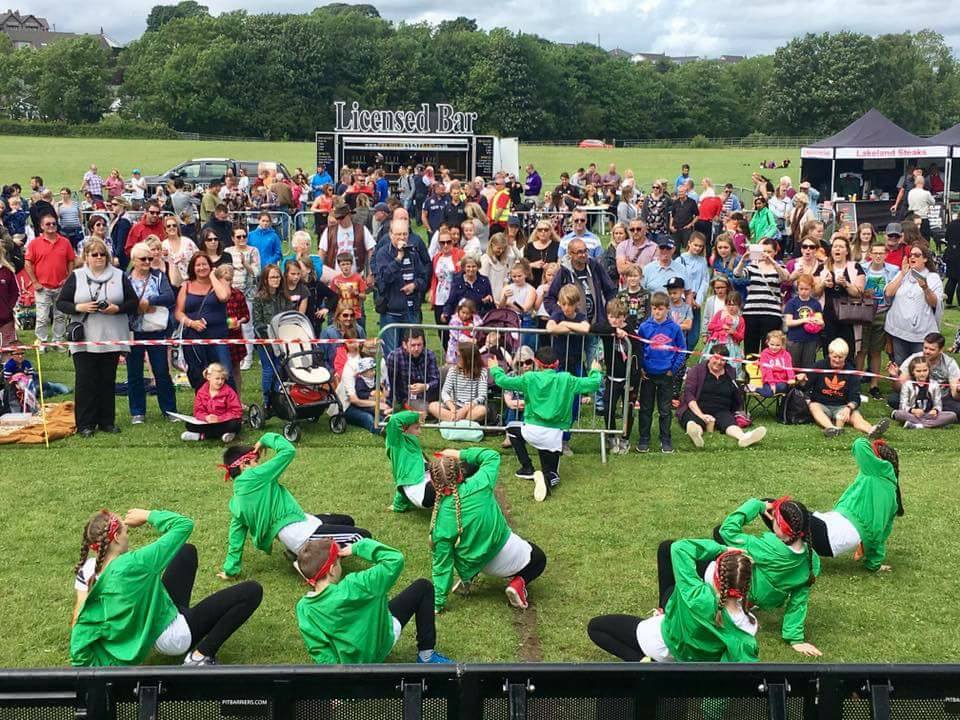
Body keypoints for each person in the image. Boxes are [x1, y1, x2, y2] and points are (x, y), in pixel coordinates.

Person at [70, 508, 262, 666]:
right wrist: (148, 515)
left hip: (148, 624)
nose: (128, 535)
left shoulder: (90, 573)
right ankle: (199, 657)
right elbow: (184, 525)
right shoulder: (135, 564)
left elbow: (80, 625)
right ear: (117, 539)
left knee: (186, 551)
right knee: (252, 591)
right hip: (173, 636)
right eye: (125, 531)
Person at [217, 432, 370, 580]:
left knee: (346, 520)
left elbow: (236, 537)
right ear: (244, 465)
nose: (260, 464)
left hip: (297, 527)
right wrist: (265, 439)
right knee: (362, 536)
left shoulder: (236, 502)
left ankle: (299, 553)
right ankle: (312, 561)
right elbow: (288, 450)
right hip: (302, 533)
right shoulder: (255, 476)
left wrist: (230, 570)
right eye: (255, 461)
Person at [587, 539, 758, 663]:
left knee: (596, 627)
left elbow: (679, 548)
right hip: (689, 663)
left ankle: (644, 665)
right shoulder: (748, 629)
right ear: (746, 586)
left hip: (658, 642)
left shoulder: (695, 594)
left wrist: (722, 548)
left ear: (715, 578)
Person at [296, 536, 453, 665]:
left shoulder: (304, 608)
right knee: (423, 587)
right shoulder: (358, 584)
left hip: (348, 668)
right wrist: (359, 547)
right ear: (332, 569)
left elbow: (320, 650)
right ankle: (427, 656)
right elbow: (394, 559)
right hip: (379, 647)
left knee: (378, 604)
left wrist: (337, 683)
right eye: (339, 561)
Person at [428, 448, 547, 611]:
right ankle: (517, 584)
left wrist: (437, 602)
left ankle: (467, 577)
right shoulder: (481, 483)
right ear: (461, 474)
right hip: (506, 553)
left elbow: (442, 564)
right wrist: (459, 453)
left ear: (434, 484)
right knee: (539, 558)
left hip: (476, 564)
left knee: (462, 547)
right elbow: (491, 456)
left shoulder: (439, 522)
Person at [491, 347, 602, 501]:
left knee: (511, 428)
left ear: (537, 362)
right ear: (557, 363)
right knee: (553, 473)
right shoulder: (566, 379)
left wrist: (495, 369)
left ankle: (527, 467)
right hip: (553, 435)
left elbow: (502, 381)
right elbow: (594, 384)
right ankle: (547, 479)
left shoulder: (529, 378)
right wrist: (595, 370)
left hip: (531, 431)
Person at [714, 498, 822, 656]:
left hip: (743, 593)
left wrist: (756, 505)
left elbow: (727, 530)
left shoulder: (767, 547)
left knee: (716, 535)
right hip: (767, 599)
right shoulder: (812, 559)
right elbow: (799, 601)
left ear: (782, 528)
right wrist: (795, 639)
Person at [56, 239, 136, 437]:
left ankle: (106, 421)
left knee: (107, 380)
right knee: (85, 380)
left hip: (112, 336)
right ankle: (85, 424)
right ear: (86, 257)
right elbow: (61, 303)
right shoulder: (76, 276)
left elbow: (133, 302)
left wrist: (117, 308)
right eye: (95, 254)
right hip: (85, 337)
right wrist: (79, 307)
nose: (99, 258)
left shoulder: (119, 275)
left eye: (102, 254)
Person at [809, 438, 903, 572]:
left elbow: (859, 444)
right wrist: (874, 564)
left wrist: (872, 434)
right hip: (833, 530)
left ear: (877, 461)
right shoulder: (888, 489)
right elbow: (881, 534)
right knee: (777, 510)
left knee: (776, 509)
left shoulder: (876, 472)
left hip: (833, 535)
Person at [126, 242, 177, 424]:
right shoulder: (126, 278)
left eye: (150, 258)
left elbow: (169, 296)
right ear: (133, 260)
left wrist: (150, 301)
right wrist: (137, 307)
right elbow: (121, 300)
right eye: (143, 259)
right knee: (134, 373)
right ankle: (137, 411)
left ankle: (169, 409)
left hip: (156, 330)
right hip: (133, 330)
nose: (147, 261)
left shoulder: (158, 276)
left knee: (162, 371)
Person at [677, 347, 767, 449]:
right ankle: (696, 434)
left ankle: (743, 438)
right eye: (716, 358)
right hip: (698, 407)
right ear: (709, 357)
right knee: (693, 421)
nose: (719, 362)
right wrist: (701, 415)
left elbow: (735, 392)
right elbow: (689, 395)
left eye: (723, 360)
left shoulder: (730, 371)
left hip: (721, 409)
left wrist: (739, 409)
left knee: (729, 423)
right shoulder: (697, 370)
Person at [635, 292, 686, 454]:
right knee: (645, 408)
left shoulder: (674, 328)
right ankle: (644, 438)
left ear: (667, 309)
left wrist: (673, 369)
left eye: (661, 309)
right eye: (654, 308)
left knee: (665, 410)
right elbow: (639, 349)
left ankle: (665, 438)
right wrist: (641, 367)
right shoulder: (644, 327)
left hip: (666, 375)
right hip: (648, 375)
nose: (657, 312)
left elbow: (682, 350)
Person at [806, 338, 889, 439]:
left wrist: (848, 408)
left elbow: (855, 397)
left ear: (845, 357)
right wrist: (801, 380)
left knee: (857, 417)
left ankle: (872, 430)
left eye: (840, 357)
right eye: (834, 357)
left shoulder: (851, 372)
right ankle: (832, 428)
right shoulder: (819, 366)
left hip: (842, 406)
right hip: (822, 404)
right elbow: (805, 386)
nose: (837, 360)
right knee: (813, 406)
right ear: (829, 354)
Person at [175, 253, 233, 391]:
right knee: (199, 372)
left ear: (210, 266)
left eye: (204, 264)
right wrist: (191, 323)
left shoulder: (220, 281)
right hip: (195, 336)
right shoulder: (187, 286)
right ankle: (204, 404)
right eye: (198, 265)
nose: (201, 268)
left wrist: (213, 276)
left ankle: (229, 404)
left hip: (218, 336)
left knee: (224, 371)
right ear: (193, 268)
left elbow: (224, 296)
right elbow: (178, 312)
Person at [591, 299, 641, 455]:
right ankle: (611, 437)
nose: (615, 321)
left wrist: (633, 380)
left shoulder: (631, 333)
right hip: (612, 379)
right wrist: (613, 330)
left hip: (629, 379)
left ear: (624, 317)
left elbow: (637, 357)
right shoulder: (608, 330)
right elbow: (594, 327)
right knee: (608, 408)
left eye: (619, 317)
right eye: (612, 317)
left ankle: (625, 438)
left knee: (628, 409)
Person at [375, 219, 429, 357]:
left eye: (404, 234)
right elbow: (384, 279)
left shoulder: (413, 253)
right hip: (391, 313)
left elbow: (424, 278)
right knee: (392, 354)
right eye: (398, 234)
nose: (402, 238)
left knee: (412, 353)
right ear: (390, 234)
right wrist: (398, 258)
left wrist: (415, 285)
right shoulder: (383, 253)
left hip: (411, 311)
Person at [883, 243, 943, 365]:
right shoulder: (903, 274)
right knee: (900, 364)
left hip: (920, 333)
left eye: (917, 255)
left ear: (925, 259)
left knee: (919, 366)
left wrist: (926, 288)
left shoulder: (933, 278)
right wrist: (902, 274)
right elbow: (888, 293)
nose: (912, 258)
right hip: (899, 330)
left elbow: (934, 303)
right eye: (910, 255)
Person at [26, 211, 76, 350]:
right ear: (41, 226)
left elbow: (71, 261)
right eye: (48, 224)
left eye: (54, 223)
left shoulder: (65, 242)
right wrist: (35, 282)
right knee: (42, 317)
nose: (52, 226)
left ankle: (57, 341)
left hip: (61, 286)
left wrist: (68, 278)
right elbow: (28, 263)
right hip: (42, 287)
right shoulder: (34, 243)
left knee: (60, 315)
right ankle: (42, 342)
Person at [734, 237, 790, 356]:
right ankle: (750, 372)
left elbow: (785, 278)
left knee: (769, 346)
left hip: (771, 313)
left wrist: (773, 262)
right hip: (751, 312)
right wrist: (743, 260)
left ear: (775, 252)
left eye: (769, 251)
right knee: (750, 346)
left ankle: (766, 372)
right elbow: (737, 274)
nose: (766, 254)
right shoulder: (753, 267)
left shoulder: (780, 267)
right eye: (764, 251)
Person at [889, 333, 960, 416]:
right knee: (893, 399)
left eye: (931, 349)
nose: (927, 352)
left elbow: (955, 396)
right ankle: (930, 414)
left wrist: (958, 390)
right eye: (925, 348)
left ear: (941, 350)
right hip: (916, 396)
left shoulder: (950, 363)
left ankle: (919, 413)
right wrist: (895, 377)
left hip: (941, 398)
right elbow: (898, 388)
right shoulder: (914, 359)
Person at [180, 362, 243, 442]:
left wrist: (220, 418)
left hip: (224, 421)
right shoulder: (201, 391)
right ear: (208, 377)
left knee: (235, 425)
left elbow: (236, 411)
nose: (220, 382)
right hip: (207, 421)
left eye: (222, 379)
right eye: (217, 379)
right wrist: (206, 417)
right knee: (189, 424)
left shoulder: (229, 392)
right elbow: (198, 411)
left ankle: (202, 436)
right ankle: (224, 434)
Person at [429, 342, 488, 423]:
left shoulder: (482, 372)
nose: (456, 358)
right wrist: (452, 408)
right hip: (453, 406)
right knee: (432, 406)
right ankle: (460, 421)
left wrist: (464, 409)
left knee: (482, 410)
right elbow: (445, 392)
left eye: (459, 356)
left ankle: (451, 420)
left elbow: (482, 396)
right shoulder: (453, 370)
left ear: (469, 358)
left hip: (471, 407)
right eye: (456, 354)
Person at [894, 356, 957, 429]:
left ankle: (919, 425)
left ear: (929, 370)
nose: (922, 373)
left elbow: (938, 404)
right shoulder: (908, 385)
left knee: (952, 415)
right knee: (898, 414)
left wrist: (935, 410)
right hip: (913, 414)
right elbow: (903, 405)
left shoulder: (934, 384)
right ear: (912, 372)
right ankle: (934, 424)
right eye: (918, 371)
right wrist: (913, 410)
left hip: (929, 414)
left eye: (925, 370)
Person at [386, 328, 440, 409]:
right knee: (426, 408)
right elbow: (390, 382)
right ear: (404, 344)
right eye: (413, 345)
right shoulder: (394, 357)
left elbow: (436, 380)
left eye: (419, 345)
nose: (416, 349)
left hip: (428, 395)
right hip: (405, 397)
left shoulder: (429, 355)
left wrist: (425, 387)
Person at [783, 274, 823, 372]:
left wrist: (818, 322)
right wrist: (805, 320)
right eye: (801, 289)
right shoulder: (792, 303)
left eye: (806, 289)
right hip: (794, 339)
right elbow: (788, 322)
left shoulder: (815, 304)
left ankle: (806, 387)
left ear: (811, 289)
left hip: (811, 340)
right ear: (797, 288)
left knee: (808, 367)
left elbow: (821, 321)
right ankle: (792, 386)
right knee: (793, 365)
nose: (804, 291)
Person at [702, 290, 744, 363]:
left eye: (734, 305)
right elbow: (710, 326)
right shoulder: (720, 313)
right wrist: (721, 326)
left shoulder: (740, 320)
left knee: (729, 364)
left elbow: (741, 337)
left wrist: (733, 332)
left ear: (739, 305)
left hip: (731, 346)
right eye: (729, 304)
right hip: (716, 343)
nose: (731, 307)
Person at [757, 329, 799, 396]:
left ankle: (770, 390)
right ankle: (754, 388)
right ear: (767, 342)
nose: (774, 347)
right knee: (769, 393)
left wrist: (791, 378)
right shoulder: (764, 354)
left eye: (777, 345)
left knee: (784, 387)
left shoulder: (786, 354)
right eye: (772, 344)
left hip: (782, 381)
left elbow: (789, 368)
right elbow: (767, 370)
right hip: (768, 380)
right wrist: (772, 383)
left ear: (782, 344)